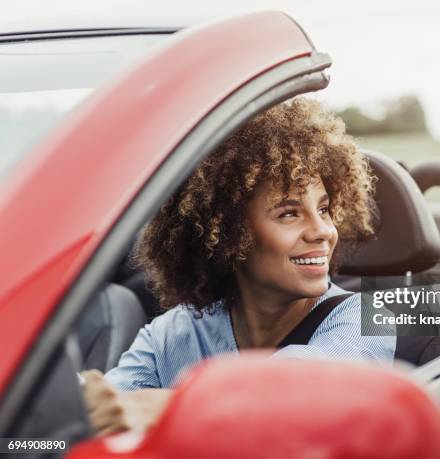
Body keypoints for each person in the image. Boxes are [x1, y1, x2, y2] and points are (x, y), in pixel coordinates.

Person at [81, 98, 396, 436]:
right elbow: (107, 412)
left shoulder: (368, 318)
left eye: (324, 209)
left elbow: (307, 390)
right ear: (231, 234)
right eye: (289, 213)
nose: (323, 230)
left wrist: (161, 408)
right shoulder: (173, 333)